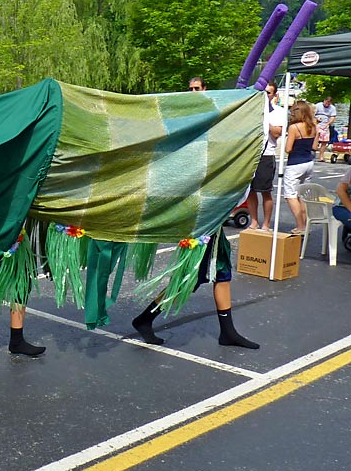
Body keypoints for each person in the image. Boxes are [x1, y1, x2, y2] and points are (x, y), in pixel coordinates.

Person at [130, 76, 259, 350]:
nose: (193, 93)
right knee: (199, 275)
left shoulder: (213, 121)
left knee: (213, 273)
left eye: (197, 89)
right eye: (190, 89)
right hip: (200, 216)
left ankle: (226, 331)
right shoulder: (190, 124)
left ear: (205, 90)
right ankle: (146, 318)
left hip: (209, 214)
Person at [247, 83, 285, 231]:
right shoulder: (251, 110)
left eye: (268, 93)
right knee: (250, 190)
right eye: (263, 93)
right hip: (251, 154)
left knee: (265, 191)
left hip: (267, 155)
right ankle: (254, 221)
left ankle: (266, 224)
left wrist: (265, 119)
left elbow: (276, 133)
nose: (265, 96)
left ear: (274, 95)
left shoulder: (278, 112)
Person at [283, 100, 317, 234]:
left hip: (295, 163)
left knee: (290, 195)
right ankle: (305, 225)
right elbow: (314, 147)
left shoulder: (294, 128)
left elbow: (288, 148)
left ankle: (300, 226)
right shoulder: (313, 127)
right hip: (309, 162)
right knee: (302, 194)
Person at [314, 96, 336, 162]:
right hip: (317, 124)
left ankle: (321, 157)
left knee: (324, 141)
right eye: (326, 102)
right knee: (315, 140)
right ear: (324, 100)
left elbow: (332, 118)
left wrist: (327, 124)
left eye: (329, 103)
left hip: (325, 125)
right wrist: (316, 119)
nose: (327, 104)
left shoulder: (332, 108)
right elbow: (312, 114)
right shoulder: (318, 105)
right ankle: (312, 155)